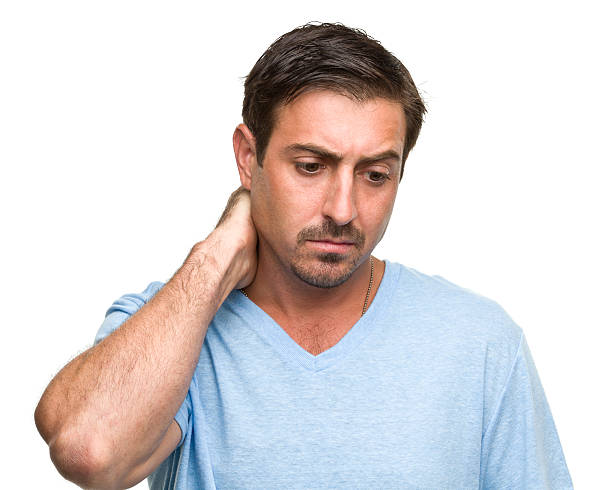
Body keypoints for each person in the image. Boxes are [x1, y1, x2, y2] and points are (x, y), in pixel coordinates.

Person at [35, 23, 573, 489]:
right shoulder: (174, 325)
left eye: (375, 175)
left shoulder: (479, 342)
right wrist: (217, 255)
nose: (344, 210)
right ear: (249, 158)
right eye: (312, 166)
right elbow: (90, 452)